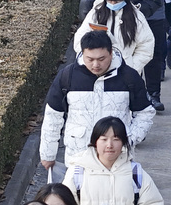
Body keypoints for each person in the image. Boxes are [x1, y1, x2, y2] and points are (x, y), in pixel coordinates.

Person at [39, 30, 155, 169]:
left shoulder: (128, 77)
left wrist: (128, 139)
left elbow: (145, 113)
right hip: (78, 158)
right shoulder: (68, 76)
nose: (95, 65)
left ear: (111, 53)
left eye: (101, 59)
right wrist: (48, 154)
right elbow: (53, 116)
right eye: (90, 59)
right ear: (82, 53)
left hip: (117, 160)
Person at [74, 0, 155, 76]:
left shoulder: (137, 17)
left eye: (117, 1)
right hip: (96, 73)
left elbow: (146, 46)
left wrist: (132, 68)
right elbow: (79, 40)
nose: (113, 3)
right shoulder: (96, 13)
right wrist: (89, 63)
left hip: (124, 75)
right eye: (109, 0)